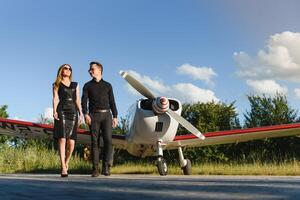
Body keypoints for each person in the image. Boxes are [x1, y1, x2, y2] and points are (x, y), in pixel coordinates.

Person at [82, 61, 118, 177]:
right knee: (94, 142)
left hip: (107, 115)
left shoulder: (108, 85)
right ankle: (95, 169)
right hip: (93, 116)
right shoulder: (87, 85)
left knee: (108, 140)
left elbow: (112, 101)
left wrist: (115, 116)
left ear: (99, 70)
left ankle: (106, 167)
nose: (90, 71)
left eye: (92, 69)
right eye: (89, 69)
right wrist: (85, 114)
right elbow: (84, 101)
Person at [53, 64, 83, 177]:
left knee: (71, 142)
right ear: (61, 70)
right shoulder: (56, 84)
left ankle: (66, 162)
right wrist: (54, 111)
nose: (68, 70)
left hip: (73, 112)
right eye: (66, 68)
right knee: (62, 139)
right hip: (61, 111)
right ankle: (63, 168)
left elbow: (77, 99)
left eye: (70, 68)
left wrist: (81, 114)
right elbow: (55, 98)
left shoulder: (76, 84)